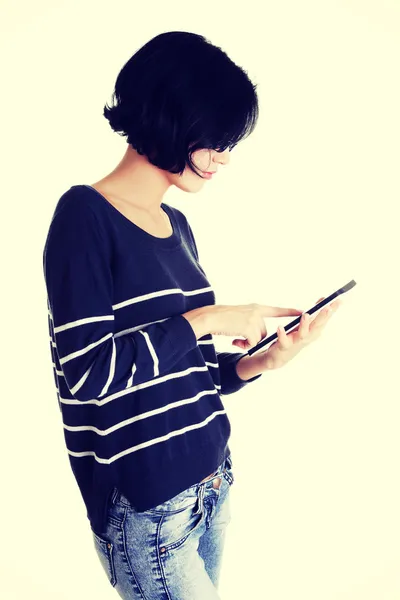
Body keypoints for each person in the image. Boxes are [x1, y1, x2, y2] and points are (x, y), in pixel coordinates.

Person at [42, 30, 340, 600]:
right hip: (149, 508)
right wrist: (211, 319)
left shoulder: (178, 228)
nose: (224, 158)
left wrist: (261, 363)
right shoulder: (84, 214)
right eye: (216, 140)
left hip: (212, 483)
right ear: (172, 118)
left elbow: (189, 375)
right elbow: (86, 374)